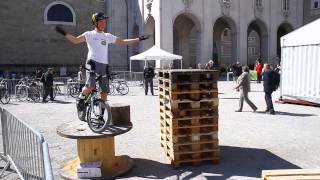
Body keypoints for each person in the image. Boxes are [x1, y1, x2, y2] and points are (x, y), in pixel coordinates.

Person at [54, 12, 148, 113]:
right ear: (95, 23)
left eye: (105, 22)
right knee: (90, 87)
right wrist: (63, 32)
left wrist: (138, 39)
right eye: (101, 21)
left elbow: (123, 42)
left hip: (104, 65)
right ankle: (80, 98)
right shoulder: (89, 34)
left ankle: (101, 115)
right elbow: (75, 40)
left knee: (104, 92)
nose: (104, 24)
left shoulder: (107, 36)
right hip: (92, 63)